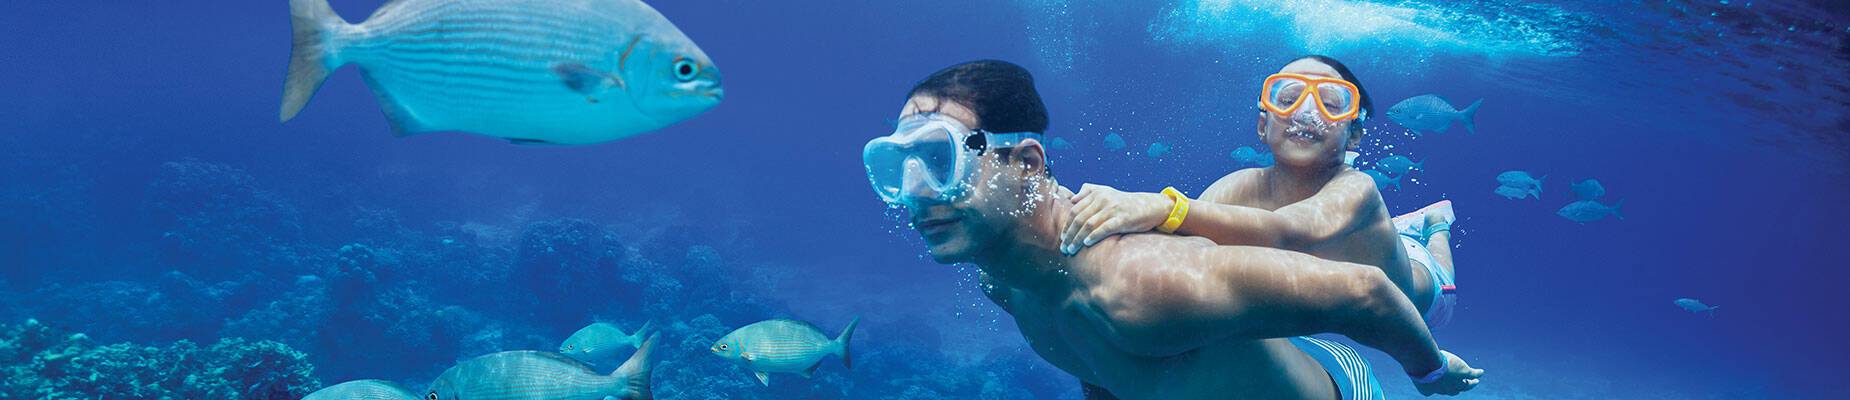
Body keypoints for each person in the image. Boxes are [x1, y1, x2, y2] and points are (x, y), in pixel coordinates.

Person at [862, 60, 1482, 399]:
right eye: (894, 166)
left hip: (1361, 355)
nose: (915, 193)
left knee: (1428, 286)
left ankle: (1431, 229)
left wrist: (1430, 374)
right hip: (1283, 328)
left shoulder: (1143, 286)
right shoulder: (1005, 283)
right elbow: (1096, 360)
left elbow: (1364, 290)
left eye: (939, 159)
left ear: (1027, 163)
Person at [1057, 55, 1459, 329]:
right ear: (1263, 126)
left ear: (1354, 135)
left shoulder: (1357, 187)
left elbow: (1287, 230)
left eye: (1330, 103)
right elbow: (1182, 246)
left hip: (1421, 295)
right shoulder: (1239, 186)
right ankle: (1400, 228)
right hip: (1338, 277)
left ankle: (1434, 223)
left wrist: (1163, 206)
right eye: (1288, 98)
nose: (1306, 113)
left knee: (1429, 264)